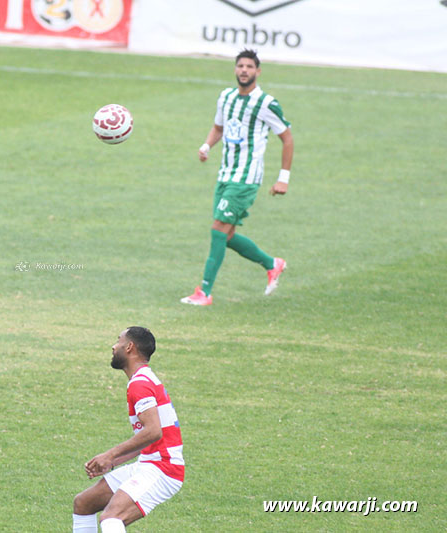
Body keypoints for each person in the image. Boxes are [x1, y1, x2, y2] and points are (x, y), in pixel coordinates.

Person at [181, 48, 294, 306]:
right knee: (227, 235)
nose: (244, 70)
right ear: (235, 69)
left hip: (245, 179)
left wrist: (283, 178)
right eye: (240, 66)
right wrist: (207, 146)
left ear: (258, 71)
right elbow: (219, 127)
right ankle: (271, 264)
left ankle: (204, 292)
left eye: (249, 67)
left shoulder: (266, 103)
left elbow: (287, 138)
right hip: (225, 174)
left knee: (217, 230)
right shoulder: (226, 97)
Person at [72, 327, 184, 533]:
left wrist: (110, 454)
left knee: (111, 518)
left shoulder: (140, 384)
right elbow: (149, 438)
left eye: (118, 341)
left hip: (163, 469)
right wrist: (114, 461)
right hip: (149, 463)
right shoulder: (143, 379)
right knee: (83, 504)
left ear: (130, 347)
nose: (114, 346)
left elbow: (153, 431)